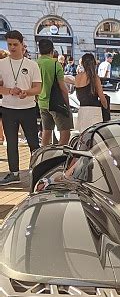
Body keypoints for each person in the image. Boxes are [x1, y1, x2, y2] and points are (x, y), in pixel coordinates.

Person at [0, 30, 41, 185]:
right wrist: (9, 91)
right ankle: (14, 173)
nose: (12, 47)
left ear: (22, 44)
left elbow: (38, 88)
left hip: (28, 108)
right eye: (9, 44)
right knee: (11, 142)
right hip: (8, 108)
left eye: (15, 44)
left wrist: (26, 92)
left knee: (33, 142)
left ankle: (38, 171)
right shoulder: (2, 64)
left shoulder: (32, 65)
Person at [37, 38, 71, 146]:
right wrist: (67, 104)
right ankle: (60, 157)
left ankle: (44, 155)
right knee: (65, 132)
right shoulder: (56, 65)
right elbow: (62, 87)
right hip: (56, 103)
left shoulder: (35, 64)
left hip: (42, 102)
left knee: (46, 131)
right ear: (52, 51)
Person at [75, 53, 109, 131]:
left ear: (82, 63)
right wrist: (106, 107)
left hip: (82, 110)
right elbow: (101, 96)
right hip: (94, 111)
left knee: (83, 137)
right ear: (94, 63)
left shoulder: (77, 77)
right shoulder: (94, 77)